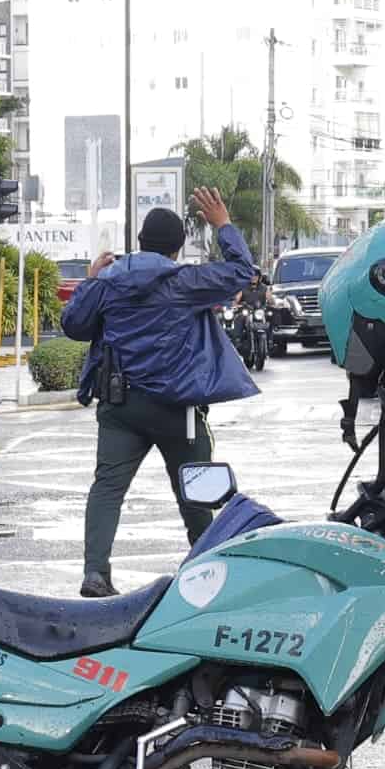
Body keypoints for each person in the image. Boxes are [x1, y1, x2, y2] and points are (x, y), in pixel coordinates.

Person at [60, 185, 257, 597]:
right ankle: (207, 573)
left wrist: (91, 280)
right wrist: (222, 226)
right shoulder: (186, 281)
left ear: (139, 242)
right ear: (177, 248)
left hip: (120, 404)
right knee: (196, 486)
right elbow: (242, 273)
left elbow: (74, 326)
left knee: (108, 488)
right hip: (177, 408)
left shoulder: (109, 282)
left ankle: (96, 573)